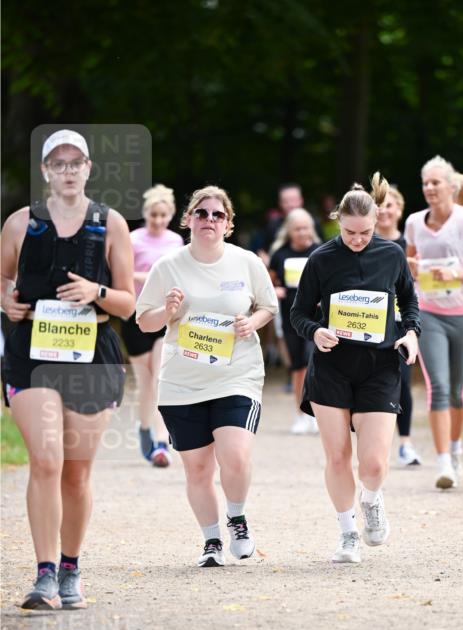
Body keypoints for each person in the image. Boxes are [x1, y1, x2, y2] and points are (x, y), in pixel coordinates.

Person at [1, 129, 134, 609]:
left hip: (91, 352)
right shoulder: (20, 223)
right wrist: (6, 301)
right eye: (58, 163)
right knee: (46, 460)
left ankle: (71, 568)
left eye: (75, 162)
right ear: (45, 172)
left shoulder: (110, 223)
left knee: (76, 474)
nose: (68, 170)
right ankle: (43, 575)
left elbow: (127, 301)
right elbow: (2, 279)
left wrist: (95, 293)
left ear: (89, 168)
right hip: (32, 352)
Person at [135, 185, 278, 567]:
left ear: (228, 224)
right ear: (188, 220)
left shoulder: (246, 261)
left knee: (235, 455)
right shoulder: (168, 266)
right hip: (183, 381)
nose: (209, 220)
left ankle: (237, 517)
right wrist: (167, 310)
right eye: (201, 213)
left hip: (237, 375)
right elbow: (143, 320)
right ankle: (211, 541)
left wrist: (253, 322)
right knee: (197, 468)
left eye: (217, 215)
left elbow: (268, 305)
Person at [291, 173, 420, 565]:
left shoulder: (392, 255)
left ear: (377, 221)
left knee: (375, 462)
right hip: (331, 367)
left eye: (365, 232)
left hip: (379, 364)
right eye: (350, 232)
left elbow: (410, 303)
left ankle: (372, 498)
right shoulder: (321, 259)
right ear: (338, 222)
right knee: (336, 457)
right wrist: (316, 332)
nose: (358, 239)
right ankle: (347, 533)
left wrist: (411, 333)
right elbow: (298, 313)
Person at [405, 156, 463, 489]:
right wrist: (411, 266)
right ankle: (443, 461)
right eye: (425, 183)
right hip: (428, 311)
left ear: (451, 186)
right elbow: (409, 262)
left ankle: (456, 448)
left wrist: (457, 273)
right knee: (438, 387)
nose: (429, 188)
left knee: (458, 391)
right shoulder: (414, 222)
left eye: (435, 182)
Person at [121, 184, 183, 466]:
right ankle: (144, 427)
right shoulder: (132, 240)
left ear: (169, 216)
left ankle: (161, 442)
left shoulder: (175, 243)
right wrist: (148, 278)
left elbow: (178, 277)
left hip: (165, 316)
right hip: (135, 316)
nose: (157, 220)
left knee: (159, 377)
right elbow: (121, 275)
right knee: (144, 382)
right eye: (153, 215)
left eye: (162, 215)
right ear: (145, 214)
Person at [375, 183, 422, 467]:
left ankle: (405, 443)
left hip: (400, 322)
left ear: (399, 210)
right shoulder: (361, 242)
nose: (383, 211)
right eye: (378, 205)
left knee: (402, 380)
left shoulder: (410, 246)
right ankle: (374, 446)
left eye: (389, 204)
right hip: (365, 323)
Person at [268, 208, 320, 434]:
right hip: (291, 318)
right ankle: (300, 415)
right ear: (289, 231)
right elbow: (268, 282)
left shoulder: (320, 251)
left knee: (313, 365)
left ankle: (316, 413)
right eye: (298, 228)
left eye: (306, 227)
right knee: (298, 369)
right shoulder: (280, 254)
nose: (302, 232)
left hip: (317, 320)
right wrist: (275, 290)